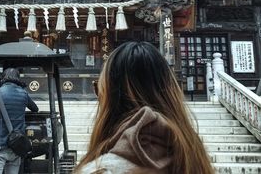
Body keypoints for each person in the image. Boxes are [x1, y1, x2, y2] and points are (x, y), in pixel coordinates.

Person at [74, 41, 214, 174]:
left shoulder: (103, 169)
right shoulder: (193, 157)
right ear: (170, 92)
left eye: (99, 89)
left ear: (110, 96)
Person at [0, 67, 39, 174]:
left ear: (3, 78)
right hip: (16, 145)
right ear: (17, 78)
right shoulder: (23, 94)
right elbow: (35, 109)